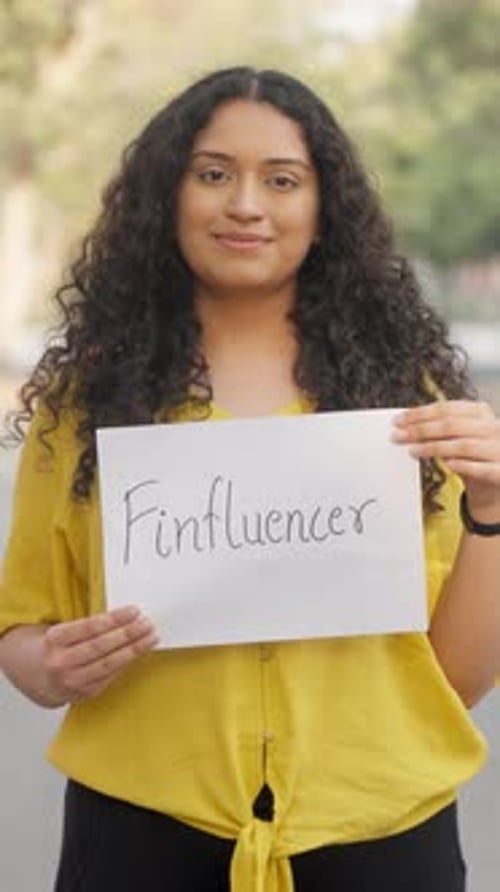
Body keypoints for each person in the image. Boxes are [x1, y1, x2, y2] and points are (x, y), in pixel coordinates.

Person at [0, 66, 499, 892]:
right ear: (167, 195)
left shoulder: (409, 404)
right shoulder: (84, 404)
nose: (245, 205)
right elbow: (21, 632)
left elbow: (456, 680)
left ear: (324, 208)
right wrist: (47, 666)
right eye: (212, 173)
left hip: (383, 829)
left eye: (282, 180)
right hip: (141, 827)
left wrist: (490, 505)